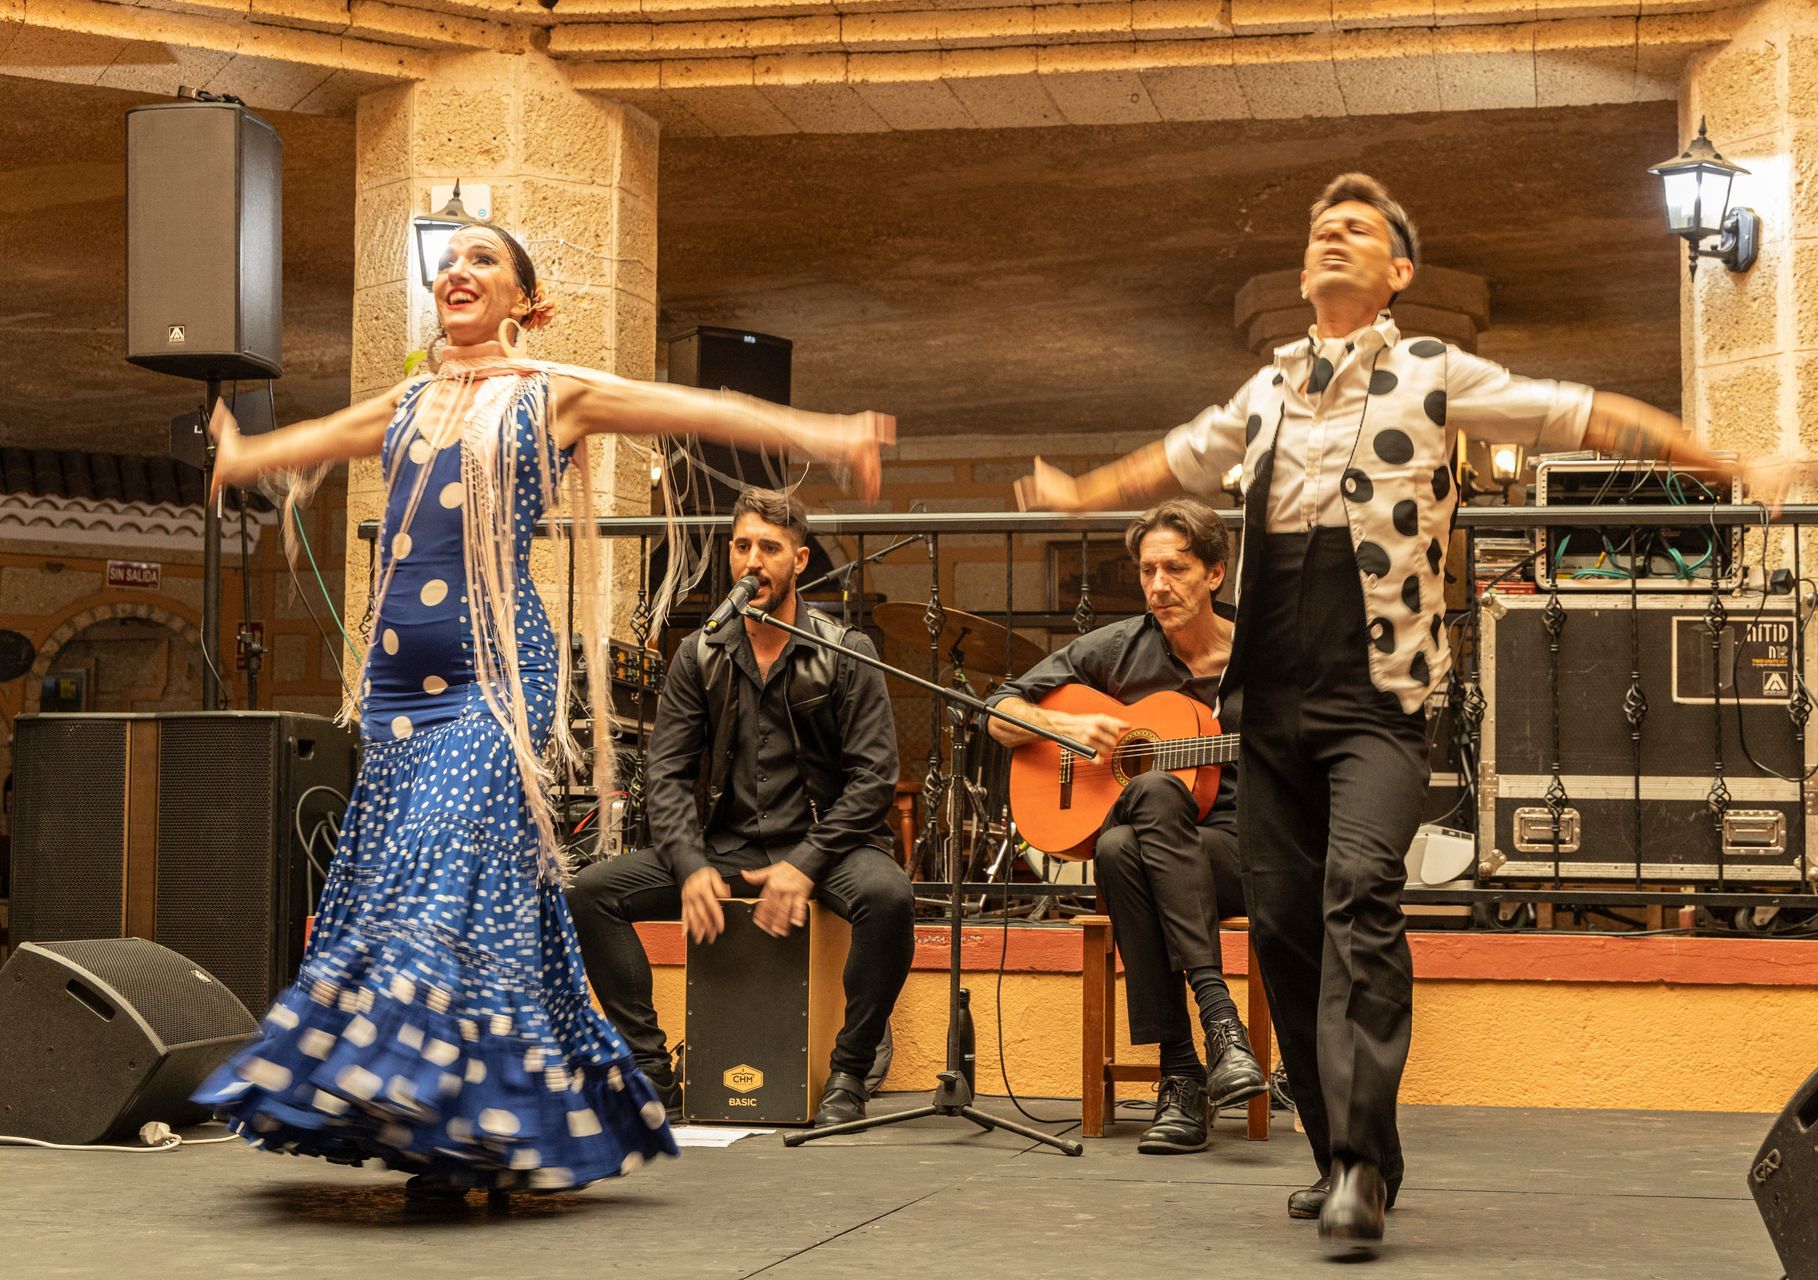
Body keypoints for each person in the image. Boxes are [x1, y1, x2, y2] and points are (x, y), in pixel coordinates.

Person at [1014, 174, 1772, 1253]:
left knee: (1358, 888)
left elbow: (1582, 410)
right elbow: (1176, 458)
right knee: (1280, 927)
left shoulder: (1434, 370)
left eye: (1357, 228)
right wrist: (1080, 493)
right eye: (1320, 226)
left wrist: (1732, 462)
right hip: (1269, 701)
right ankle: (1341, 1150)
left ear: (1397, 272)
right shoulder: (1267, 391)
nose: (1331, 236)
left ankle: (1362, 1165)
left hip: (1377, 701)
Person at [191, 223, 893, 1197]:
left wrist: (827, 433)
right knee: (431, 885)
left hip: (490, 677)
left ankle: (452, 1112)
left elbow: (692, 406)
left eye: (484, 261)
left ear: (526, 299)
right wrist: (238, 454)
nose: (459, 273)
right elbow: (306, 445)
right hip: (399, 690)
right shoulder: (410, 401)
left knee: (443, 860)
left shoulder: (550, 391)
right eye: (452, 264)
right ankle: (473, 1122)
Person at [567, 487, 913, 1129]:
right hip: (729, 848)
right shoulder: (700, 654)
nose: (753, 560)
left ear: (800, 560)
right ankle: (650, 1073)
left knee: (889, 898)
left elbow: (873, 780)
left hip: (829, 848)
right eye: (742, 545)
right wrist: (690, 862)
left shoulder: (844, 651)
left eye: (770, 548)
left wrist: (807, 862)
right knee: (591, 891)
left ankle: (849, 1071)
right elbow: (666, 775)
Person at [986, 498, 1265, 1154]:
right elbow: (997, 711)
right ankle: (1214, 1033)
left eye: (1176, 568)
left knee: (1120, 843)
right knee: (1132, 826)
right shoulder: (1119, 648)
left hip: (1241, 851)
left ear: (1216, 575)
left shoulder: (1264, 655)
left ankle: (1181, 1076)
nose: (1158, 586)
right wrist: (1066, 726)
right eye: (1147, 571)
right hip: (1159, 848)